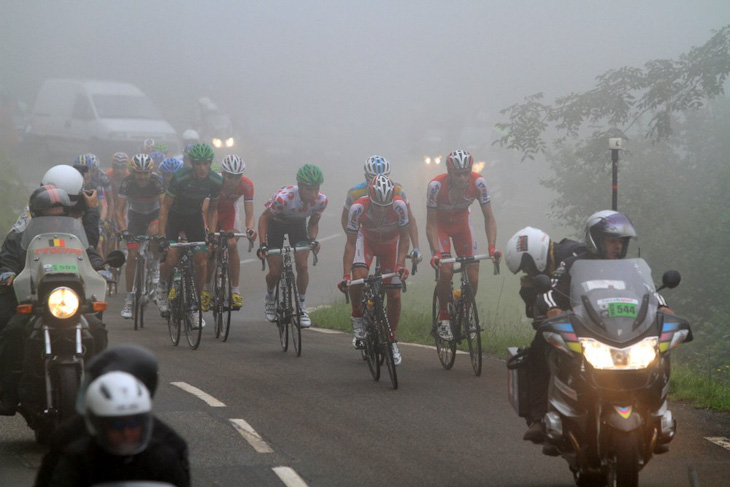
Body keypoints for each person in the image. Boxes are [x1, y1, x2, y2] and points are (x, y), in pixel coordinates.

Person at [0, 186, 107, 415]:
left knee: (96, 328)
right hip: (35, 302)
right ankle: (8, 393)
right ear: (37, 215)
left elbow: (90, 255)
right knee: (11, 331)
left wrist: (102, 268)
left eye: (59, 215)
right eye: (49, 215)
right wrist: (7, 273)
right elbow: (7, 260)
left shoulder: (76, 237)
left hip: (71, 303)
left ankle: (100, 388)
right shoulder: (19, 237)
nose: (55, 220)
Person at [34, 344, 189, 487]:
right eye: (116, 425)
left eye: (133, 423)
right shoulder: (71, 448)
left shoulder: (168, 449)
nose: (126, 433)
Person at [505, 226, 588, 442]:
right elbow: (538, 310)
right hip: (567, 325)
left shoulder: (573, 253)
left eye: (528, 266)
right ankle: (540, 419)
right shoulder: (545, 269)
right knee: (537, 352)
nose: (529, 272)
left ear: (536, 255)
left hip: (596, 321)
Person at [426, 149, 499, 340]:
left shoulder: (478, 183)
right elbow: (431, 224)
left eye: (466, 173)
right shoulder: (435, 186)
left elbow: (489, 218)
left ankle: (464, 312)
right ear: (449, 173)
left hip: (462, 227)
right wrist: (436, 252)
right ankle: (443, 317)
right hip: (440, 227)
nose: (462, 178)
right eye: (458, 174)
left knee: (473, 277)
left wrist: (492, 247)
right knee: (447, 269)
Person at [338, 174, 410, 364]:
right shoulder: (357, 208)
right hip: (366, 240)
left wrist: (401, 264)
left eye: (385, 206)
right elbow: (351, 245)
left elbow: (405, 238)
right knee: (359, 277)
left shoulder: (400, 206)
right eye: (377, 206)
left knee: (394, 295)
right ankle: (357, 316)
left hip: (391, 244)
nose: (381, 210)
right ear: (370, 198)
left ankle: (392, 339)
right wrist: (346, 275)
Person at [156, 143, 222, 321]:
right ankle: (162, 286)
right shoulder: (180, 177)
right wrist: (162, 237)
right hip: (174, 217)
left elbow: (213, 210)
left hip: (194, 218)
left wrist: (212, 234)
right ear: (192, 164)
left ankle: (195, 302)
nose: (202, 168)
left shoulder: (216, 180)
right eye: (198, 164)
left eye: (206, 164)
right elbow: (165, 208)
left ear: (210, 164)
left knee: (202, 261)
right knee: (171, 258)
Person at [257, 164, 327, 328]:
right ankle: (269, 297)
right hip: (276, 224)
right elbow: (263, 218)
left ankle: (302, 307)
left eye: (316, 189)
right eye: (309, 189)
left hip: (297, 225)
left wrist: (312, 240)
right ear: (300, 186)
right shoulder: (284, 199)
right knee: (275, 271)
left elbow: (313, 223)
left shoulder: (321, 201)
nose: (313, 194)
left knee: (302, 266)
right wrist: (262, 245)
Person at [341, 155, 422, 266]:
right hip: (367, 235)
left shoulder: (398, 191)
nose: (378, 180)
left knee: (396, 275)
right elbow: (345, 219)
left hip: (390, 236)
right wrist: (356, 241)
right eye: (372, 177)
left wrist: (416, 247)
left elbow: (410, 221)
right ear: (365, 177)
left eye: (384, 176)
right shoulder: (354, 193)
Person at [202, 154, 256, 311]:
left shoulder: (247, 185)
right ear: (223, 174)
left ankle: (235, 291)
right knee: (212, 248)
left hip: (229, 214)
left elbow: (250, 214)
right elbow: (205, 209)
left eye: (237, 177)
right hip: (212, 213)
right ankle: (206, 290)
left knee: (231, 244)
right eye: (230, 177)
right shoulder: (213, 182)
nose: (233, 181)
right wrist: (206, 228)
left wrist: (250, 229)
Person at [115, 154, 166, 319]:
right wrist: (124, 231)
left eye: (146, 173)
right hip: (135, 219)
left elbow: (164, 206)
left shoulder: (157, 182)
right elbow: (118, 211)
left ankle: (156, 265)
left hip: (153, 216)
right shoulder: (127, 183)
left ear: (151, 172)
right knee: (132, 256)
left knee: (154, 234)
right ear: (133, 172)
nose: (142, 177)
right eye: (139, 173)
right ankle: (129, 299)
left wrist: (162, 228)